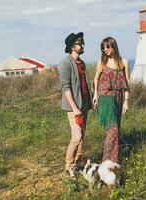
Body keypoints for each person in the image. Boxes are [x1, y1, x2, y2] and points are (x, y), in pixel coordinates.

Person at [59, 32, 93, 179]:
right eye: (79, 43)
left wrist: (91, 101)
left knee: (82, 135)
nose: (82, 44)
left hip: (84, 104)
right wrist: (74, 108)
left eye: (82, 42)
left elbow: (85, 84)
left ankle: (78, 161)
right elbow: (66, 87)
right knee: (76, 136)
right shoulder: (66, 64)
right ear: (72, 46)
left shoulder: (81, 63)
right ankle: (69, 166)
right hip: (74, 107)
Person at [93, 37, 130, 164]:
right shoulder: (101, 63)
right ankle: (107, 162)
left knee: (115, 129)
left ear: (114, 46)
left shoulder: (123, 62)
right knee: (113, 130)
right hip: (106, 97)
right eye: (103, 48)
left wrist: (126, 101)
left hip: (119, 97)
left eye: (108, 47)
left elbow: (127, 83)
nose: (105, 50)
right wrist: (95, 95)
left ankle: (112, 161)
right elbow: (96, 79)